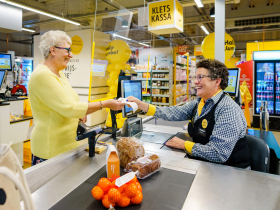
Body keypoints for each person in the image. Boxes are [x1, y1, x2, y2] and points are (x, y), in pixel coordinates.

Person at [128, 59, 251, 169]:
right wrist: (142, 105)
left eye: (200, 77)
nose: (195, 82)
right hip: (208, 165)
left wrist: (184, 144)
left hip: (230, 171)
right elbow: (174, 112)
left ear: (217, 81)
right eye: (195, 77)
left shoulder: (227, 109)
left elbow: (218, 154)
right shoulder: (200, 102)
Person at [28, 30, 125, 165]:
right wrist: (106, 103)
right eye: (68, 50)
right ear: (53, 50)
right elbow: (71, 108)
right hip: (50, 149)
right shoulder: (42, 75)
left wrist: (80, 113)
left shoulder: (58, 74)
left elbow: (71, 102)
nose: (71, 55)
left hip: (66, 146)